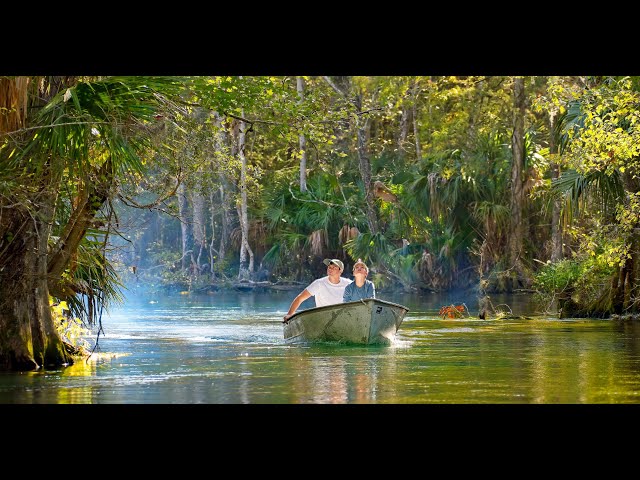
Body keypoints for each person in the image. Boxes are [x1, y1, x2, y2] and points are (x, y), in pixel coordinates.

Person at [283, 258, 352, 322]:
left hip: (343, 318)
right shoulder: (319, 283)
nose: (330, 269)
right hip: (323, 319)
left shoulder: (348, 284)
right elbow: (300, 298)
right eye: (329, 267)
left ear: (340, 270)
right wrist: (289, 314)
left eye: (334, 268)